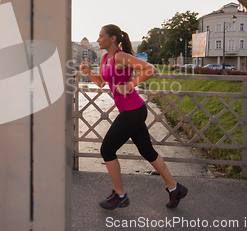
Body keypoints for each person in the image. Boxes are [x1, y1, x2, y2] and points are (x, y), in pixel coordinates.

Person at [80, 24, 187, 210]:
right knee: (147, 152)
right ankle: (175, 188)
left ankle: (120, 195)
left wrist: (129, 86)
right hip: (129, 111)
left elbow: (150, 69)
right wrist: (88, 72)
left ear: (112, 38)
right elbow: (101, 83)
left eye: (100, 36)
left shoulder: (120, 56)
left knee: (107, 150)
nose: (97, 39)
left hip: (133, 110)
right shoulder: (106, 58)